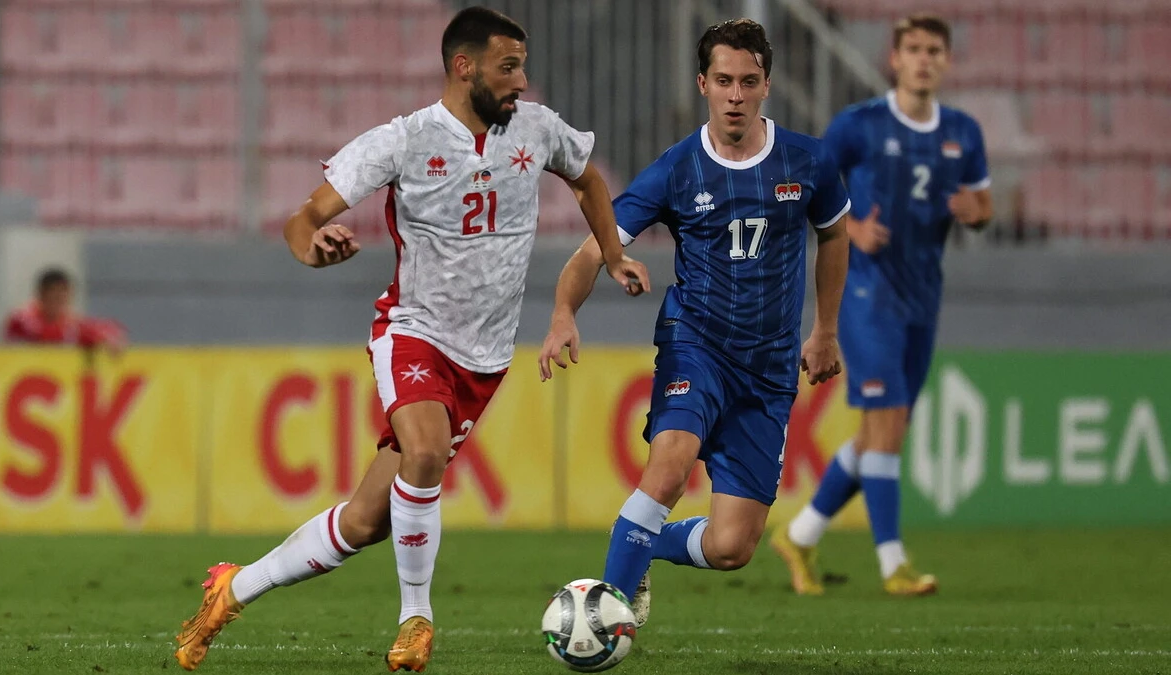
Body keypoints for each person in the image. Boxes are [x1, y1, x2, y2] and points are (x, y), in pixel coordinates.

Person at [173, 7, 648, 672]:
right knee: (424, 452)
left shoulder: (538, 130)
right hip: (414, 333)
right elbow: (303, 217)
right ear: (464, 67)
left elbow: (589, 178)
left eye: (522, 65)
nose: (521, 79)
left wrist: (611, 251)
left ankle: (233, 587)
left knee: (366, 521)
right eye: (508, 66)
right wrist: (313, 247)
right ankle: (416, 618)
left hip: (484, 358)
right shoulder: (403, 140)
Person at [538, 18, 849, 628]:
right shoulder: (676, 169)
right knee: (670, 465)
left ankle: (641, 538)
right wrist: (562, 313)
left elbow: (834, 234)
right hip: (696, 344)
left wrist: (826, 330)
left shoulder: (809, 161)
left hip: (769, 365)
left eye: (749, 82)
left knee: (733, 547)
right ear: (702, 83)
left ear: (767, 86)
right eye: (725, 81)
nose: (736, 95)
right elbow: (594, 249)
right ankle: (601, 620)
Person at [772, 14, 993, 597]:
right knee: (887, 427)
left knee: (880, 433)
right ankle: (893, 563)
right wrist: (849, 226)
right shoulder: (859, 126)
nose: (923, 59)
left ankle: (799, 534)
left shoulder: (964, 132)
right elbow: (808, 182)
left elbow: (983, 201)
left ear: (946, 61)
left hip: (923, 297)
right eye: (913, 49)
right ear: (894, 59)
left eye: (934, 50)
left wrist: (980, 213)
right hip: (866, 293)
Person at [3, 267, 127, 352]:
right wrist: (92, 336)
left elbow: (104, 328)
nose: (59, 304)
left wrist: (108, 337)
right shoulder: (22, 318)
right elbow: (47, 336)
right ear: (41, 295)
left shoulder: (69, 322)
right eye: (55, 297)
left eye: (64, 298)